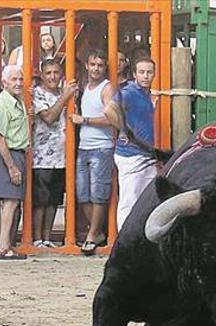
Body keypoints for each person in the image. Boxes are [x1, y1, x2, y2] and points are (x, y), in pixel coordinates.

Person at [71, 49, 116, 255]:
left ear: (104, 67)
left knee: (99, 193)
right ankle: (98, 231)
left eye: (100, 65)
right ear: (87, 66)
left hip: (101, 146)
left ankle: (93, 234)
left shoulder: (107, 88)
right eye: (93, 64)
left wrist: (85, 120)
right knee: (82, 194)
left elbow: (112, 119)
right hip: (84, 146)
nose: (96, 68)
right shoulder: (85, 87)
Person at [32, 59, 78, 248]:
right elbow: (49, 117)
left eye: (56, 72)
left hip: (61, 156)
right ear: (42, 75)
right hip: (41, 156)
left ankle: (47, 237)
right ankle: (36, 238)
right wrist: (65, 97)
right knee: (40, 200)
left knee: (53, 200)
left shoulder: (64, 93)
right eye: (49, 73)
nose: (52, 76)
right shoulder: (37, 94)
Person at [108, 56, 160, 226]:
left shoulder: (147, 94)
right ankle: (124, 239)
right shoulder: (130, 92)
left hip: (145, 155)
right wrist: (125, 130)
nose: (146, 76)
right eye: (142, 72)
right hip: (131, 155)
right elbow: (109, 109)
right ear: (134, 74)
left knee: (146, 200)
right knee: (129, 201)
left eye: (149, 72)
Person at [0, 65, 29, 260]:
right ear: (4, 82)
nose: (19, 83)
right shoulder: (1, 105)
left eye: (20, 79)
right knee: (9, 201)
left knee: (11, 201)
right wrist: (12, 166)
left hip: (16, 153)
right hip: (8, 154)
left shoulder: (17, 101)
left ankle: (5, 245)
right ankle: (3, 246)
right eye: (14, 79)